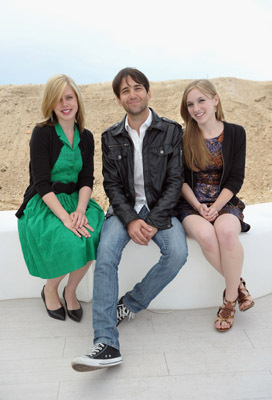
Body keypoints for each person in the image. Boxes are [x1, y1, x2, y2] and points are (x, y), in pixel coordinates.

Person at [72, 67, 188, 372]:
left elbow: (176, 180)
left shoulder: (172, 130)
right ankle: (106, 342)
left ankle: (130, 304)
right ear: (118, 99)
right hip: (123, 211)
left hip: (160, 209)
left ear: (148, 93)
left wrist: (154, 218)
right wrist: (131, 220)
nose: (132, 94)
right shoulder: (110, 136)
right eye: (125, 91)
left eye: (137, 88)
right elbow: (111, 184)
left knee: (177, 252)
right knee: (106, 253)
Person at [16, 74, 104, 322]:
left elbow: (87, 179)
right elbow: (42, 183)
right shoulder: (42, 133)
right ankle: (50, 288)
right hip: (46, 202)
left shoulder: (85, 136)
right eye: (58, 100)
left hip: (77, 199)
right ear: (50, 104)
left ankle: (71, 290)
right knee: (70, 240)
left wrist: (80, 210)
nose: (65, 104)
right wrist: (66, 219)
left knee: (95, 234)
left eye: (69, 97)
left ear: (77, 99)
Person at [176, 79, 254, 332]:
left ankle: (229, 301)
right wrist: (199, 206)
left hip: (224, 201)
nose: (196, 108)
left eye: (201, 100)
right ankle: (240, 287)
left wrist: (217, 207)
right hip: (191, 204)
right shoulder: (183, 137)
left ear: (215, 100)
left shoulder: (235, 133)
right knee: (206, 236)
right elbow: (178, 180)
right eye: (190, 104)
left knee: (228, 232)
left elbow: (236, 178)